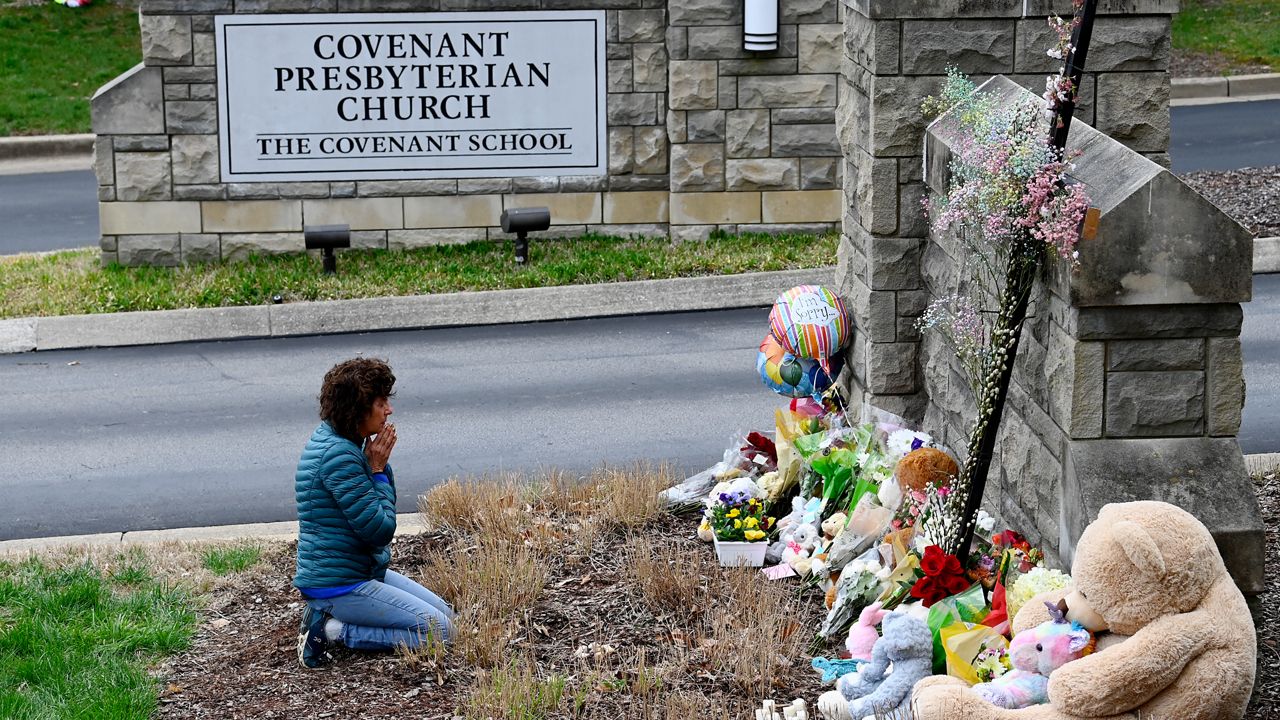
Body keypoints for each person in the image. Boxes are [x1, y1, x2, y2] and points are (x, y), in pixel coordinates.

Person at [293, 357, 454, 668]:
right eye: (381, 403)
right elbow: (379, 531)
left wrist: (376, 467)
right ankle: (330, 630)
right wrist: (377, 469)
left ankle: (329, 617)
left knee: (447, 616)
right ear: (358, 409)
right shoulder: (339, 455)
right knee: (443, 634)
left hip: (356, 571)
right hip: (339, 584)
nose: (389, 411)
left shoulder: (342, 439)